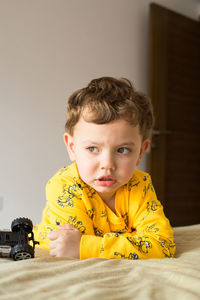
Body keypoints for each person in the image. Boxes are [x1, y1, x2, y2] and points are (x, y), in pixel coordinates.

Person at [34, 76, 176, 260]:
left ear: (141, 152)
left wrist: (85, 245)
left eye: (122, 150)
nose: (107, 164)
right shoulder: (64, 187)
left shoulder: (140, 186)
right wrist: (134, 240)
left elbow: (163, 245)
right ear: (72, 147)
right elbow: (69, 249)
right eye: (92, 149)